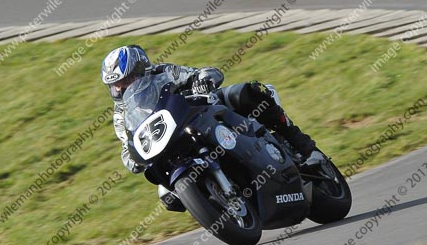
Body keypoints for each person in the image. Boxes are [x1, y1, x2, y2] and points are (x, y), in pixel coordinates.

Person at [101, 45, 324, 210]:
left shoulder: (163, 73)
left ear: (141, 71)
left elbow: (204, 72)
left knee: (246, 93)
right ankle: (218, 204)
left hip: (197, 115)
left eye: (125, 80)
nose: (120, 88)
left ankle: (303, 147)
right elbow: (127, 145)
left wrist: (202, 79)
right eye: (115, 84)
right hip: (174, 149)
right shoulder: (120, 116)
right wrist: (132, 160)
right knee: (167, 196)